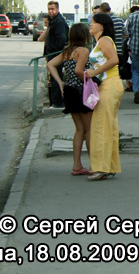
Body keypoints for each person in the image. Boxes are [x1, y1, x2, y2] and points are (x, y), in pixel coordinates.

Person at [46, 23, 93, 175]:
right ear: (84, 36)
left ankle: (77, 165)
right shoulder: (83, 50)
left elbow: (51, 64)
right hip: (82, 91)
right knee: (89, 129)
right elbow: (80, 70)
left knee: (79, 129)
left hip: (69, 91)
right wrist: (91, 79)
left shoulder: (67, 51)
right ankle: (95, 164)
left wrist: (61, 83)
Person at [85, 13, 123, 181]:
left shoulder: (104, 40)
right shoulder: (99, 41)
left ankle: (101, 167)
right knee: (108, 126)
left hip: (110, 83)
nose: (91, 25)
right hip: (108, 84)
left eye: (94, 22)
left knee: (100, 127)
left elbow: (114, 59)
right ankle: (109, 165)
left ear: (102, 26)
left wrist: (94, 72)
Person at [97, 2, 130, 91]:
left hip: (105, 51)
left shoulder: (103, 22)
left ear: (101, 11)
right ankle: (116, 89)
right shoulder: (119, 20)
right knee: (116, 72)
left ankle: (109, 90)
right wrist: (119, 36)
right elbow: (127, 34)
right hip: (118, 51)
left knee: (107, 73)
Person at [43, 1, 69, 108]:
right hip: (53, 53)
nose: (51, 11)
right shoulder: (54, 20)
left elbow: (62, 38)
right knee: (54, 78)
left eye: (52, 9)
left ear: (57, 9)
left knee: (56, 77)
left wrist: (57, 52)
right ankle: (55, 101)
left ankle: (57, 102)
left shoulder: (59, 21)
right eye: (49, 9)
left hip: (57, 53)